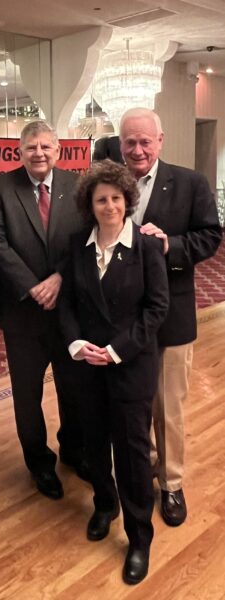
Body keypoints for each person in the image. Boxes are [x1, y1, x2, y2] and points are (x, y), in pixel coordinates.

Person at [59, 159, 169, 584]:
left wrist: (116, 350)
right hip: (87, 367)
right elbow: (68, 304)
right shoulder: (76, 244)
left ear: (128, 201)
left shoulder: (145, 247)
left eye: (116, 199)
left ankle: (139, 535)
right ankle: (105, 505)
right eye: (101, 199)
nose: (109, 206)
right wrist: (74, 344)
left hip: (129, 366)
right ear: (90, 204)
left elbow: (156, 309)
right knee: (94, 443)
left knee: (133, 452)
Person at [119, 107, 223, 526]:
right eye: (130, 142)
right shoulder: (110, 183)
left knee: (169, 405)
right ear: (120, 143)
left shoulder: (191, 183)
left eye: (146, 141)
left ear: (160, 141)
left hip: (172, 317)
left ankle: (172, 484)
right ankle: (142, 468)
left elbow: (211, 237)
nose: (138, 149)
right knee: (133, 403)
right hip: (122, 319)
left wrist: (169, 246)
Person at [0, 120, 88, 501]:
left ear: (58, 150)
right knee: (26, 396)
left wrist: (60, 278)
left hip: (68, 309)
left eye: (46, 146)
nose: (39, 153)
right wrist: (32, 286)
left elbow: (85, 240)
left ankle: (74, 451)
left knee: (73, 388)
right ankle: (39, 462)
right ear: (19, 151)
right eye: (31, 147)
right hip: (22, 312)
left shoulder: (77, 187)